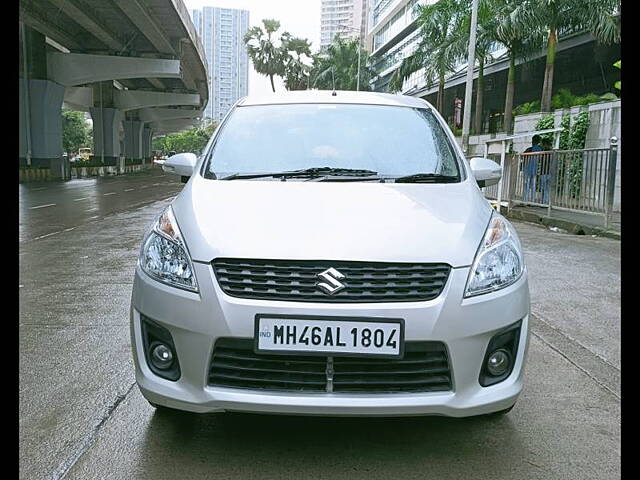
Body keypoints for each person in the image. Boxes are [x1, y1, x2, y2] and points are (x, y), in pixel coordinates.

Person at [523, 135, 543, 202]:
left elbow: (523, 157)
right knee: (533, 186)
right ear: (539, 141)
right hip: (534, 170)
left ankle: (525, 201)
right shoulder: (540, 149)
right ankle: (532, 200)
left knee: (526, 186)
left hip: (527, 169)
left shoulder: (529, 149)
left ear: (532, 141)